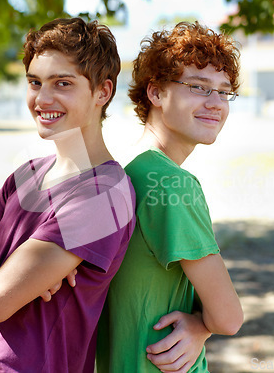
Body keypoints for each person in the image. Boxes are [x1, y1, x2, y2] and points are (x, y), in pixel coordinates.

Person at [0, 17, 136, 373]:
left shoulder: (104, 195)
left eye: (63, 83)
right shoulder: (25, 177)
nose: (43, 99)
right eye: (35, 82)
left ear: (102, 92)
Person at [96, 21, 244, 373]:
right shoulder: (172, 184)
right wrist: (205, 325)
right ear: (156, 93)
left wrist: (199, 325)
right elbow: (229, 318)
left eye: (224, 92)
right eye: (198, 87)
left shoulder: (125, 171)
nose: (216, 103)